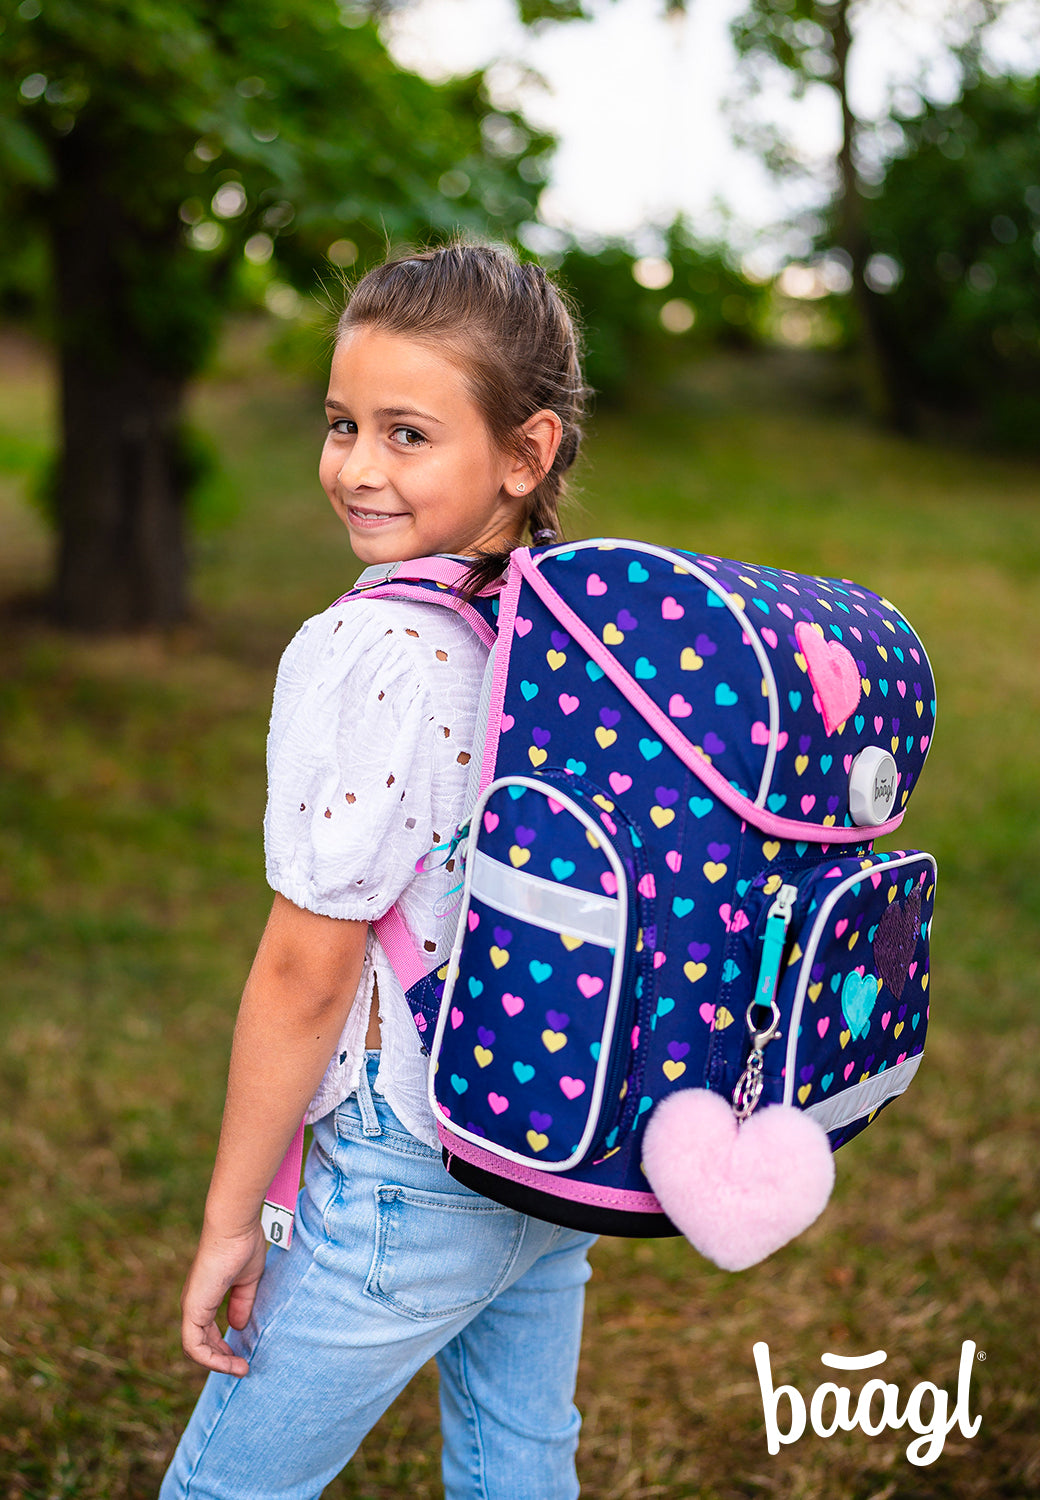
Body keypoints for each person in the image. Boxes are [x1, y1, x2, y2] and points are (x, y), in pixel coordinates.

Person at [160, 243, 596, 1500]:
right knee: (517, 1472)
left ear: (525, 452)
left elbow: (307, 968)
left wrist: (231, 1216)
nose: (356, 466)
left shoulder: (372, 647)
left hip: (407, 1160)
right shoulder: (566, 621)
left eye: (408, 434)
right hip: (546, 1138)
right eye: (343, 424)